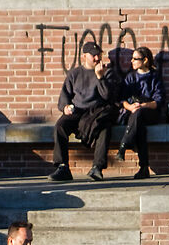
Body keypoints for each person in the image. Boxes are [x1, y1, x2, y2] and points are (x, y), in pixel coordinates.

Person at [51, 41, 122, 182]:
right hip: (77, 111)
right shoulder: (75, 74)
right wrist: (65, 107)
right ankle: (63, 167)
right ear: (84, 56)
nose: (97, 58)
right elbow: (65, 95)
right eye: (93, 55)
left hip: (97, 112)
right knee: (60, 125)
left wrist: (100, 77)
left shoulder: (107, 72)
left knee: (105, 128)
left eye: (99, 55)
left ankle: (97, 167)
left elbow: (108, 97)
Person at [117, 45, 167, 179]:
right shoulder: (130, 77)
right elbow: (121, 99)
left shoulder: (155, 77)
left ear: (145, 60)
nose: (131, 61)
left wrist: (144, 105)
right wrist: (130, 107)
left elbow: (159, 101)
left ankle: (125, 143)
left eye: (135, 59)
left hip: (150, 113)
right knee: (139, 128)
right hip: (133, 114)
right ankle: (143, 167)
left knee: (138, 115)